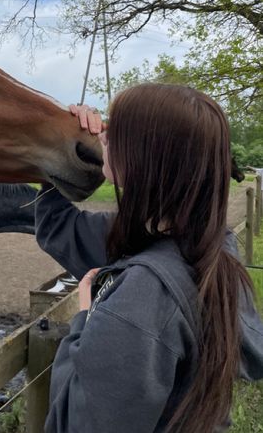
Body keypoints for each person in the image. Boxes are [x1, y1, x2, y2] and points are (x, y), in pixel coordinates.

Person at [35, 83, 263, 433]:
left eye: (117, 130)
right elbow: (59, 227)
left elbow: (75, 425)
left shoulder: (143, 297)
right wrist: (60, 149)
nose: (104, 135)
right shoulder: (211, 245)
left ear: (144, 157)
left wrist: (86, 317)